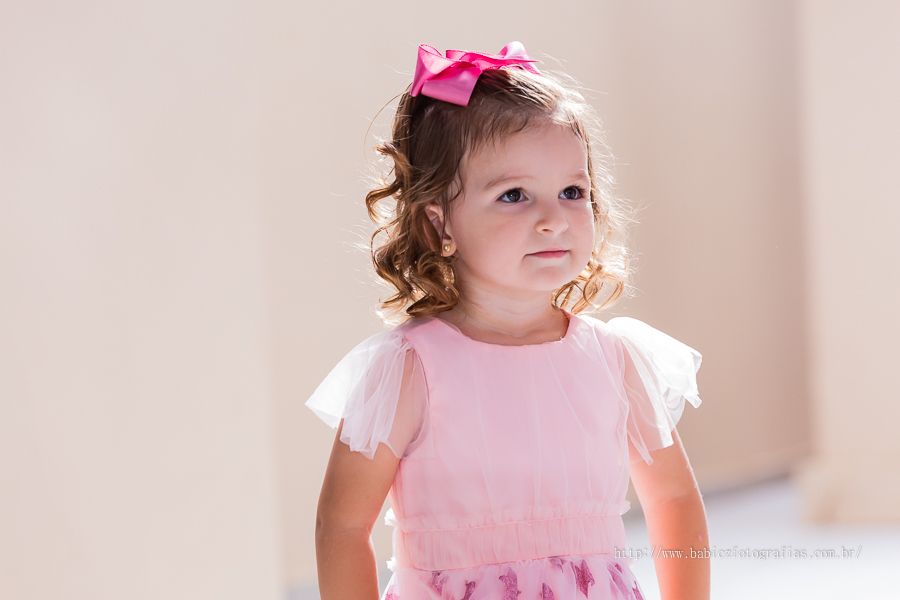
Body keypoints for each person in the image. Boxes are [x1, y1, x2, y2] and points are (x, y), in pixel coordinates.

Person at [306, 42, 710, 600]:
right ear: (438, 223)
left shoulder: (613, 359)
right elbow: (344, 525)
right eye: (514, 195)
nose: (553, 219)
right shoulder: (410, 368)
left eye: (573, 191)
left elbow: (672, 499)